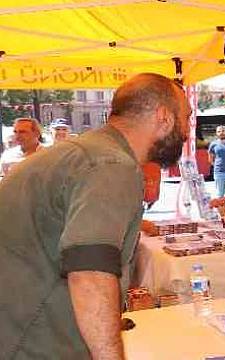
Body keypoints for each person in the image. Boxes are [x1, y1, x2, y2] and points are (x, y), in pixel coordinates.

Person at [0, 73, 190, 359]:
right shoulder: (112, 164)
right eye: (186, 117)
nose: (188, 130)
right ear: (164, 117)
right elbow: (90, 275)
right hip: (32, 342)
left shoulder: (83, 153)